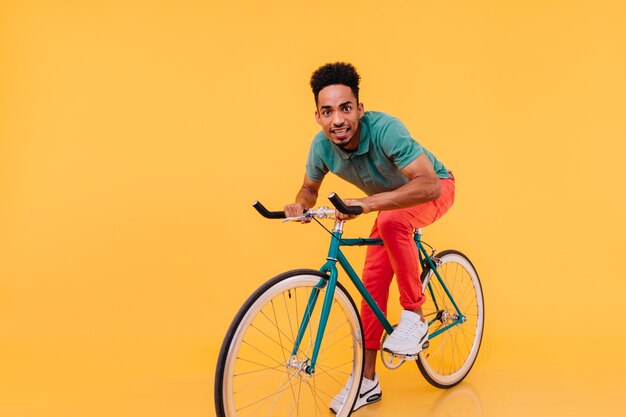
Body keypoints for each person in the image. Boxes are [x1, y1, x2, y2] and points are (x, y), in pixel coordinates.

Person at [284, 62, 455, 412]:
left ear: (360, 109)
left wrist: (365, 203)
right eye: (327, 111)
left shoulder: (386, 129)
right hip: (388, 206)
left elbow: (428, 184)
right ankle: (366, 381)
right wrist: (300, 204)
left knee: (392, 222)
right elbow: (308, 187)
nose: (337, 120)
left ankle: (415, 317)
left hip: (434, 189)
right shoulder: (321, 146)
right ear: (317, 115)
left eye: (345, 108)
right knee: (372, 283)